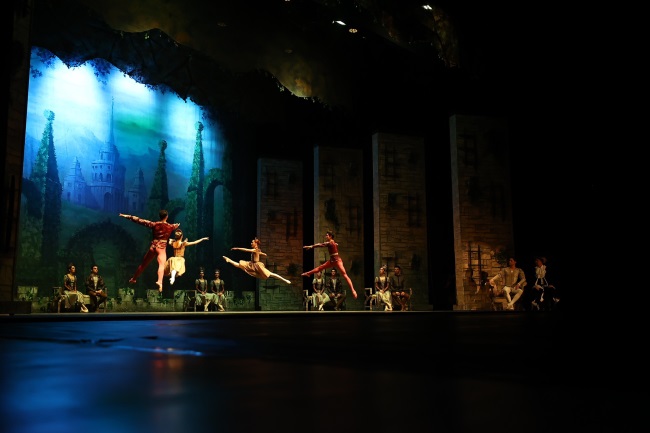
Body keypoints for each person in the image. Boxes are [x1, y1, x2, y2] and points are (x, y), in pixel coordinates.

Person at [119, 209, 180, 292]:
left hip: (153, 247)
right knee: (161, 265)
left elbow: (139, 220)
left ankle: (134, 278)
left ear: (160, 216)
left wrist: (126, 216)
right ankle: (159, 281)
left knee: (143, 265)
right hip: (161, 248)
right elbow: (174, 226)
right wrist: (176, 226)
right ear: (167, 217)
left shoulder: (154, 224)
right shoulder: (170, 226)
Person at [301, 230, 358, 299]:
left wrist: (311, 246)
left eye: (327, 235)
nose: (326, 236)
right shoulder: (332, 242)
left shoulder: (330, 242)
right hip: (332, 261)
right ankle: (308, 273)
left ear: (330, 236)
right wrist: (335, 244)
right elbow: (332, 245)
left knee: (345, 275)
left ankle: (353, 290)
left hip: (337, 261)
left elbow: (320, 245)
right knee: (320, 268)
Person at [223, 237, 291, 284]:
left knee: (271, 274)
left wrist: (237, 248)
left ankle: (285, 280)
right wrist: (263, 254)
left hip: (257, 265)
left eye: (252, 242)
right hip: (251, 264)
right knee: (240, 265)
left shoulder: (254, 249)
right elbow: (259, 252)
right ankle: (229, 260)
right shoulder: (257, 250)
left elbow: (246, 250)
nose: (251, 243)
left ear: (256, 244)